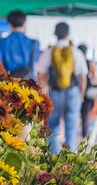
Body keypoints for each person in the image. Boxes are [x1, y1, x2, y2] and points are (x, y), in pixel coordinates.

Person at [37, 21, 87, 154]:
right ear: (68, 34)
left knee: (52, 126)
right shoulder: (76, 52)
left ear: (55, 34)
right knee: (71, 127)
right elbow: (83, 77)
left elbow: (41, 73)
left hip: (55, 92)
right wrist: (81, 94)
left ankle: (54, 156)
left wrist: (44, 90)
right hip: (73, 91)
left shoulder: (49, 52)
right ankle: (69, 158)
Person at [0, 10, 40, 79]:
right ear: (24, 24)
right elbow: (36, 65)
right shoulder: (34, 43)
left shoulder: (2, 42)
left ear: (10, 24)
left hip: (8, 84)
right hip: (28, 84)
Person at [78, 44, 97, 138]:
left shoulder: (76, 62)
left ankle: (81, 135)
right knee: (85, 115)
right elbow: (95, 77)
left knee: (79, 114)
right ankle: (84, 135)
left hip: (77, 89)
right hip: (87, 90)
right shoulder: (89, 62)